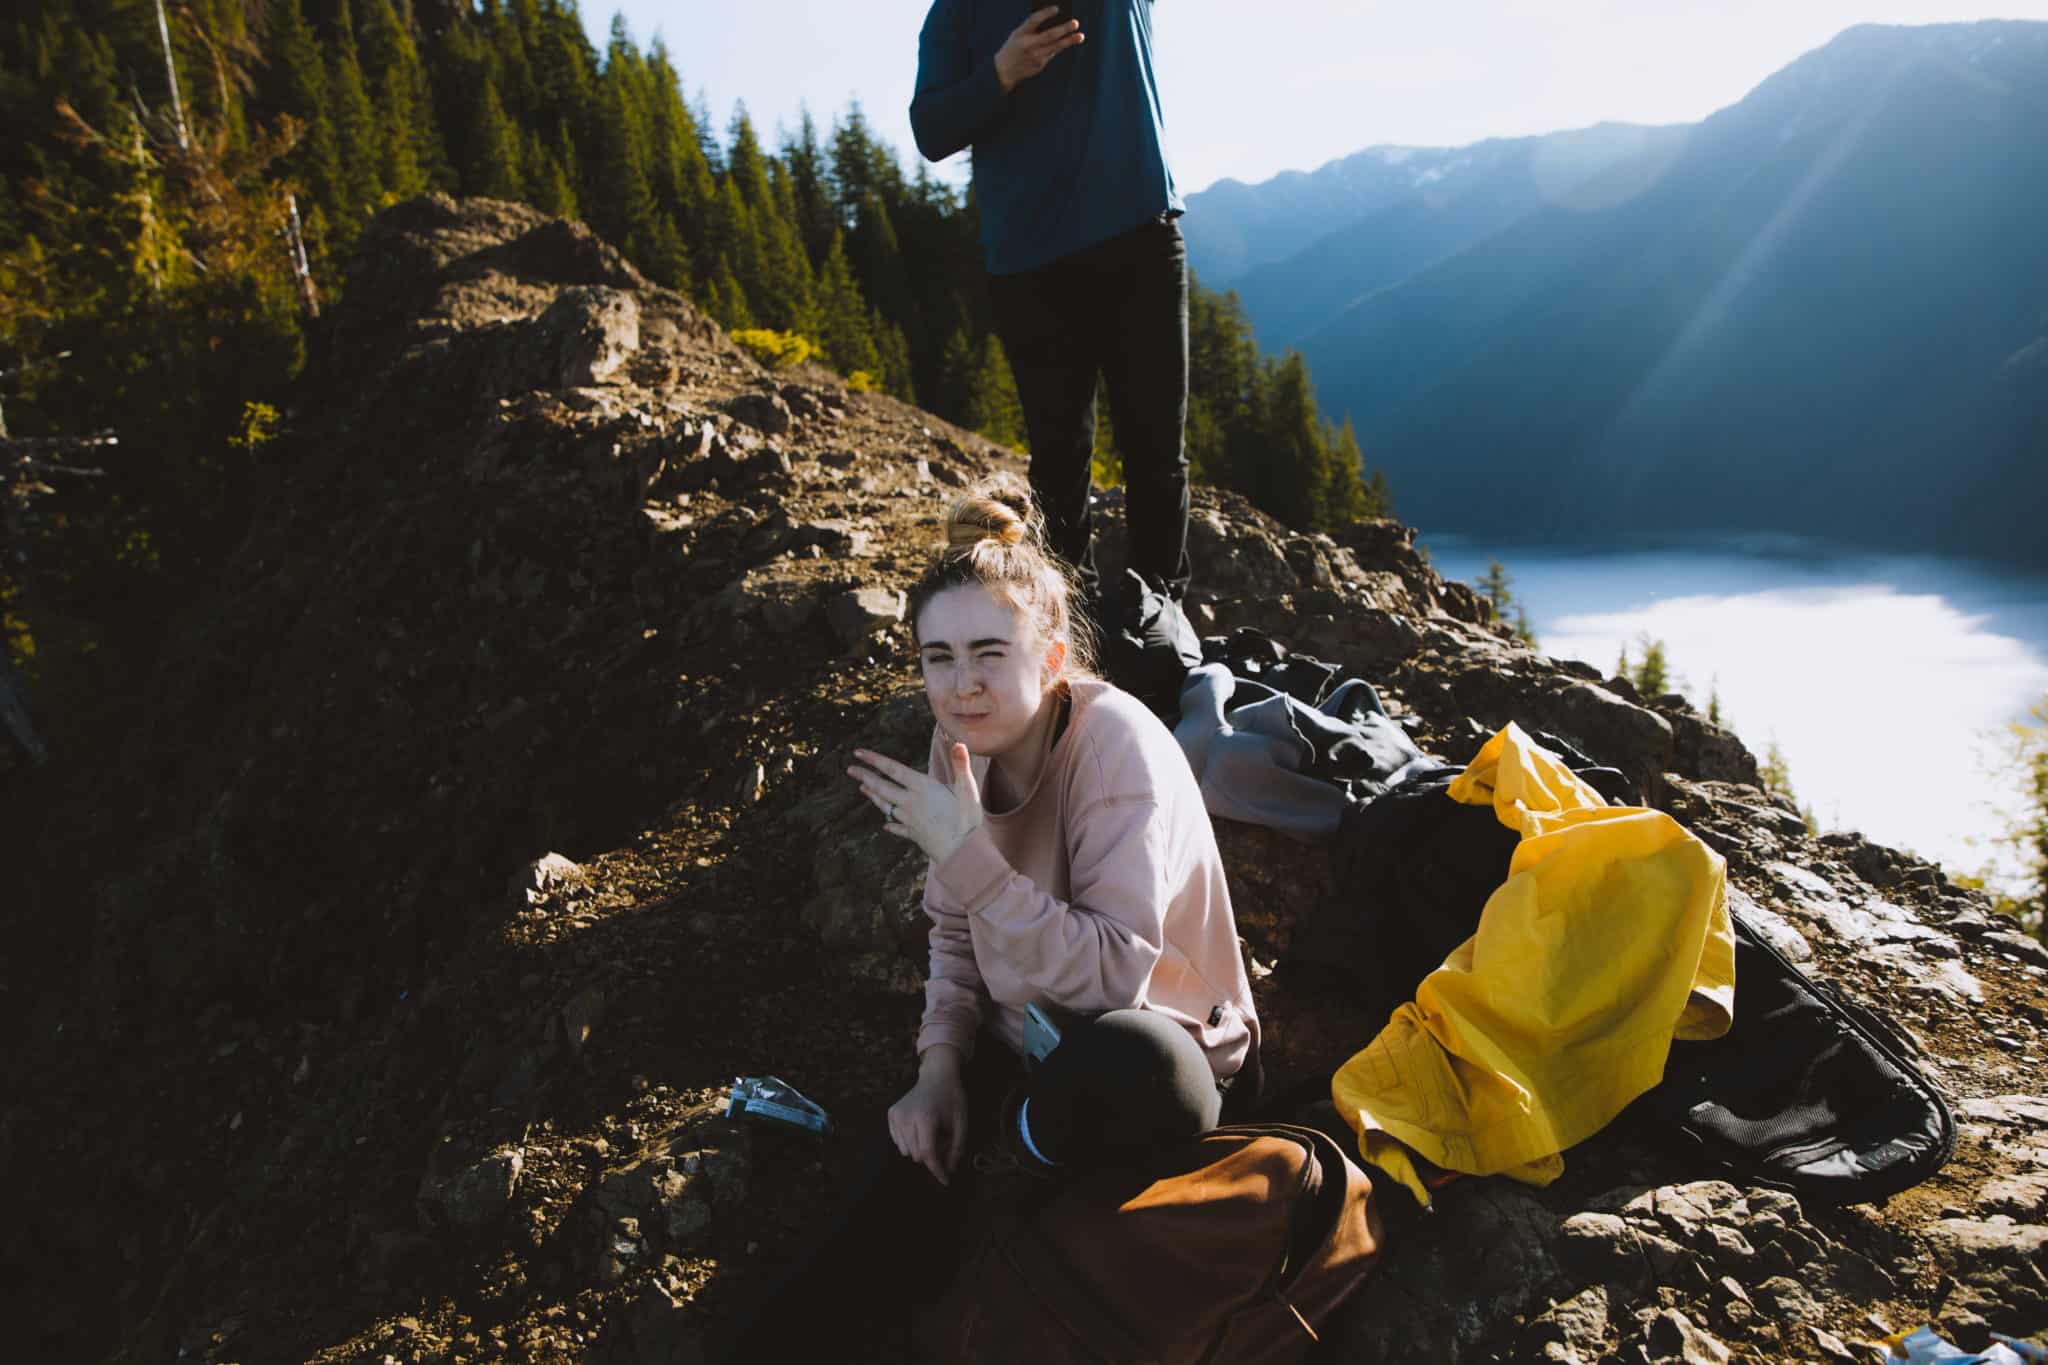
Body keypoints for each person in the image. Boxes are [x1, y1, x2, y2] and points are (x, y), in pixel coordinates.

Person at [717, 483, 1256, 1361]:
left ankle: (1002, 1178)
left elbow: (1117, 976)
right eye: (938, 657)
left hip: (1148, 1058)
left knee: (1135, 1057)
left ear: (1048, 660)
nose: (961, 684)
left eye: (987, 653)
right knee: (867, 1210)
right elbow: (955, 933)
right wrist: (938, 1070)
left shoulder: (1116, 747)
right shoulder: (959, 741)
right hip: (1028, 1051)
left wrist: (966, 854)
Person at [910, 0, 1192, 608]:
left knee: (1156, 453)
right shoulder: (957, 11)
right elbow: (929, 130)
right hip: (1029, 258)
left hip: (1138, 230)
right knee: (1060, 459)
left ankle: (1164, 624)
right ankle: (1072, 627)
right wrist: (1001, 73)